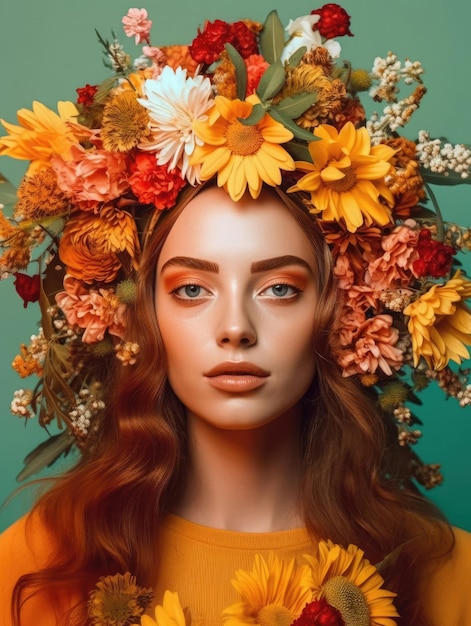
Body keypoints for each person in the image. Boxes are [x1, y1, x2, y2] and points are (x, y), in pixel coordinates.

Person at [1, 5, 471, 626]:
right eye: (191, 290)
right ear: (142, 316)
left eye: (279, 289)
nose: (235, 328)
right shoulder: (40, 563)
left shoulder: (448, 576)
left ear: (344, 309)